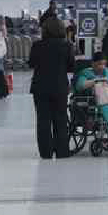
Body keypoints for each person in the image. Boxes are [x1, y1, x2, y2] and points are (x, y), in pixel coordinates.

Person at [28, 16, 75, 158]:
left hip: (40, 87)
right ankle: (62, 150)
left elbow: (31, 63)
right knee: (60, 119)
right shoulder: (67, 46)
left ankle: (46, 152)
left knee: (43, 120)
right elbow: (71, 66)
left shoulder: (37, 45)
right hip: (59, 87)